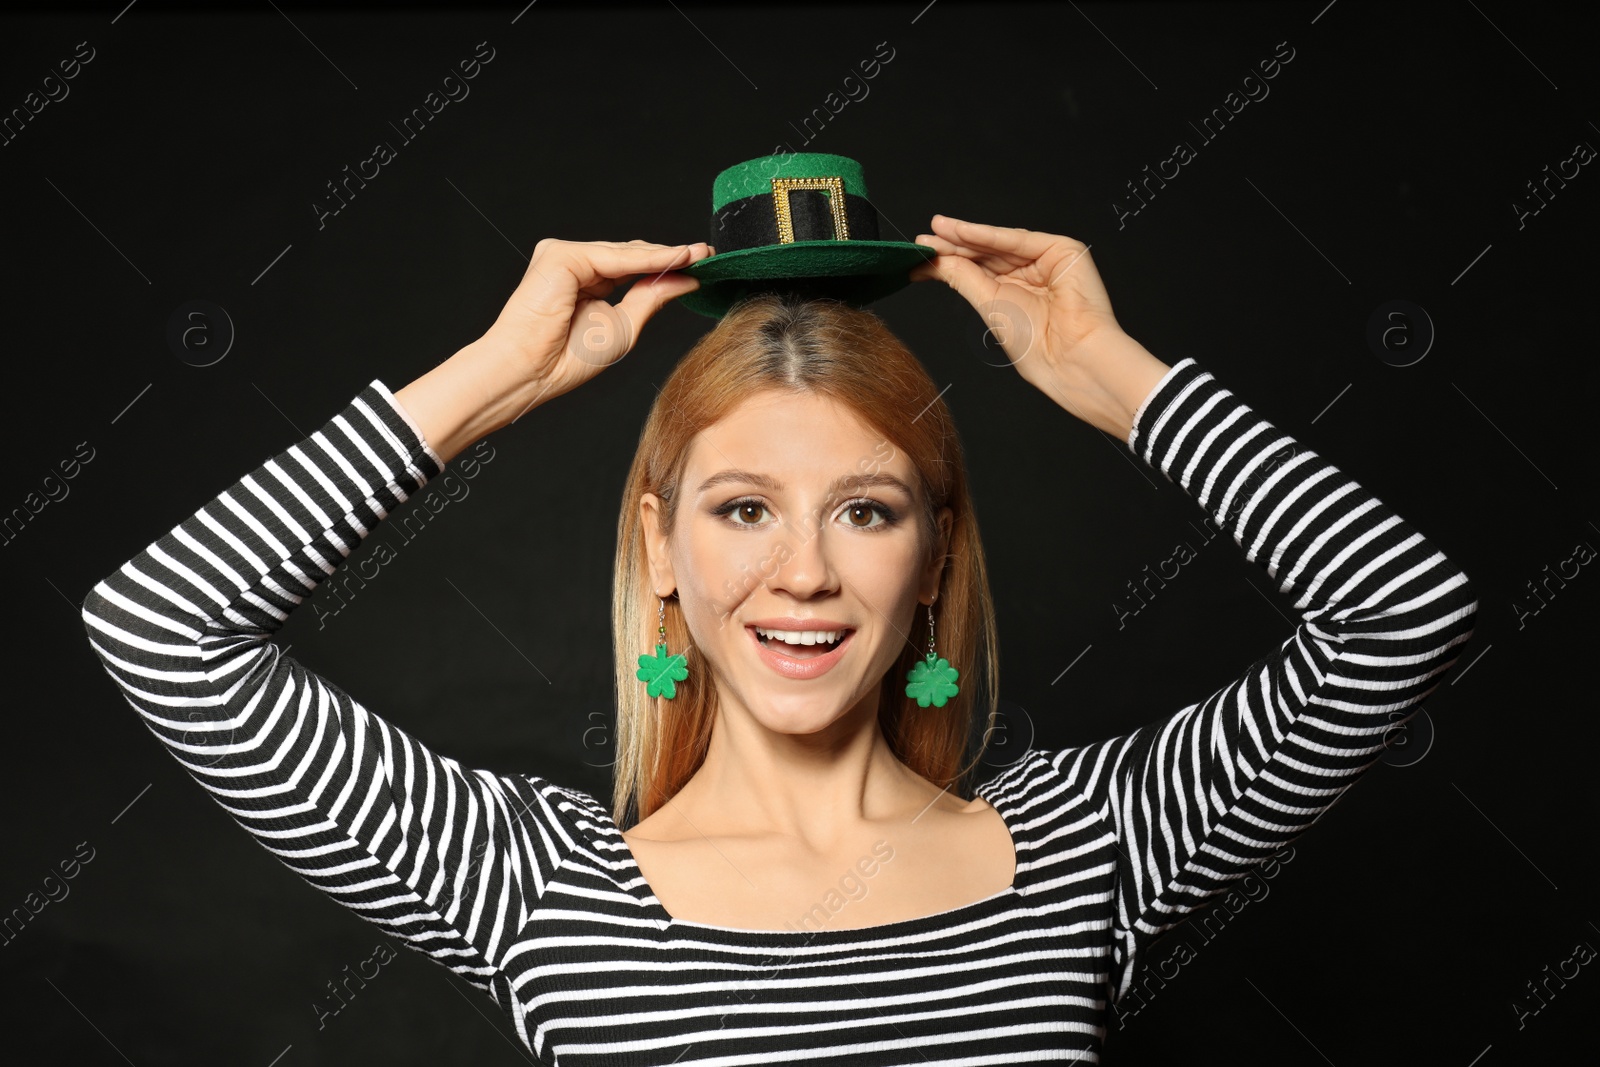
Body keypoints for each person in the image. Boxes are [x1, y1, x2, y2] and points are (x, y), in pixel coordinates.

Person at [81, 216, 1479, 1063]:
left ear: (933, 562)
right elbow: (163, 628)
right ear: (661, 553)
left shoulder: (1084, 846)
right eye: (743, 508)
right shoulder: (540, 889)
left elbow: (1398, 614)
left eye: (867, 512)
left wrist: (1111, 378)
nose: (803, 573)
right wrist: (492, 382)